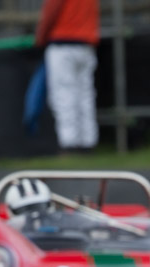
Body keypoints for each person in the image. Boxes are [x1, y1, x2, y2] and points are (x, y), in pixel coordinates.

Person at [35, 0, 100, 153]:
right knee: (85, 95)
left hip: (63, 43)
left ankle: (69, 143)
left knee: (64, 95)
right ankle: (88, 141)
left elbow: (51, 9)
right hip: (86, 43)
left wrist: (41, 35)